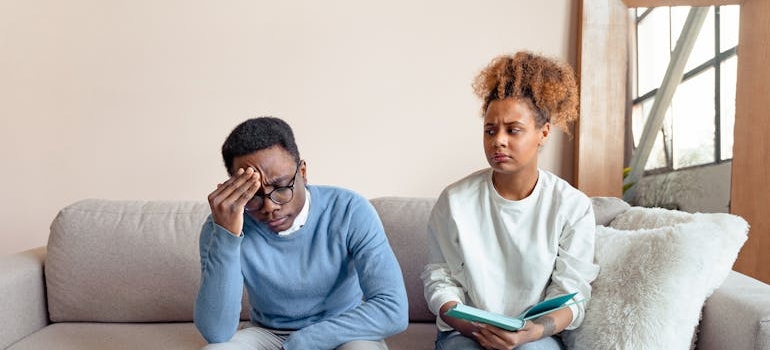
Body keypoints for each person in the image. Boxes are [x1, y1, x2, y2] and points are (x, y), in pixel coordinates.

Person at [421, 51, 600, 350]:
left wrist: (531, 333)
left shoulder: (572, 206)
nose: (498, 140)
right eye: (490, 130)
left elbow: (573, 294)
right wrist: (473, 328)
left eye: (513, 130)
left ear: (543, 133)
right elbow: (439, 280)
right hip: (464, 334)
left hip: (535, 337)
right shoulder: (455, 201)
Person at [194, 117, 408, 350]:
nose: (270, 207)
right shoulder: (222, 225)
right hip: (267, 334)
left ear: (303, 172)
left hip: (345, 332)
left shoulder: (350, 210)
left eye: (281, 187)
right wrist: (227, 236)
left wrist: (304, 341)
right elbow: (217, 332)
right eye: (254, 194)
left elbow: (393, 309)